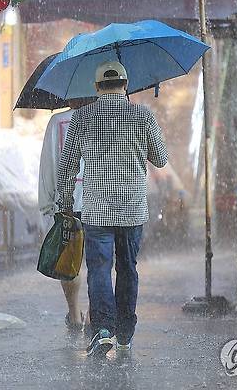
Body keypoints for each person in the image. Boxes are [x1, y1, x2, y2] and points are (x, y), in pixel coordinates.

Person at [56, 60, 168, 356]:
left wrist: (65, 204)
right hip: (132, 209)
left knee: (99, 270)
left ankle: (103, 329)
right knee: (128, 269)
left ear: (96, 88)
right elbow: (161, 158)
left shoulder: (81, 118)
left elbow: (66, 167)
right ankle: (125, 332)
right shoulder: (143, 116)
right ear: (126, 84)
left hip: (96, 210)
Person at [38, 98, 93, 332]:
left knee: (70, 261)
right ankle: (93, 315)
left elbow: (48, 164)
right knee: (99, 262)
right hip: (100, 201)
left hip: (67, 202)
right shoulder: (105, 118)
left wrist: (46, 202)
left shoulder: (57, 121)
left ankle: (74, 314)